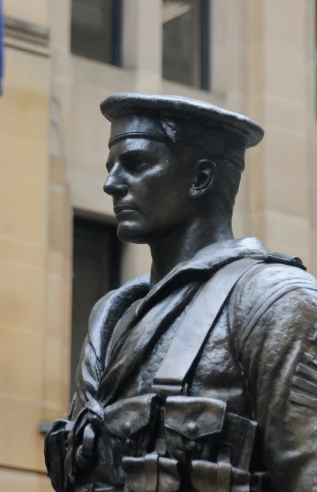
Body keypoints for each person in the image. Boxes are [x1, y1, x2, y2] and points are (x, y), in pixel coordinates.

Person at [44, 94, 317, 492]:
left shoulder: (275, 301)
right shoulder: (112, 319)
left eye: (135, 164)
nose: (111, 184)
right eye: (111, 167)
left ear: (201, 178)